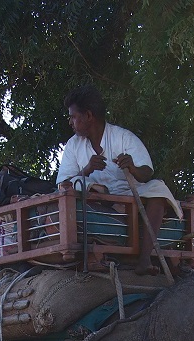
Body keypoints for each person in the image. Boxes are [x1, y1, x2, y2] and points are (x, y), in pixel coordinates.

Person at [55, 85, 181, 275]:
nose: (70, 122)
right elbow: (63, 183)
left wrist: (132, 167)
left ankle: (144, 259)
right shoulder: (73, 145)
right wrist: (87, 170)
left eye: (73, 116)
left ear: (89, 115)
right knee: (83, 188)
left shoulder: (123, 137)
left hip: (128, 194)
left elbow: (146, 172)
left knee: (158, 189)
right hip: (97, 196)